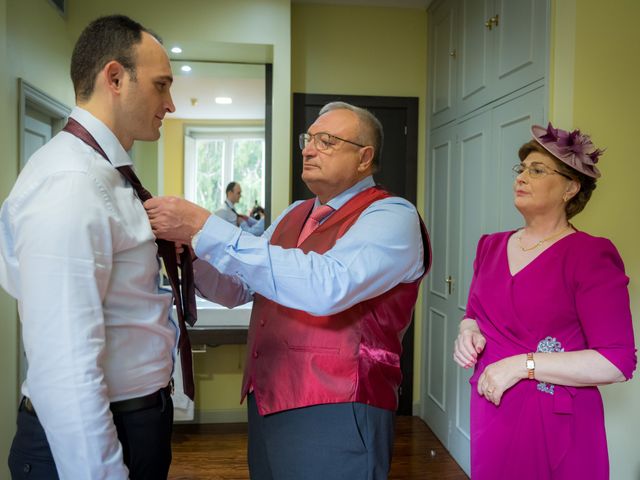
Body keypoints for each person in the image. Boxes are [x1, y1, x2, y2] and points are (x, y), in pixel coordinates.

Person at [145, 101, 431, 480]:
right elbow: (239, 287)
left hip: (340, 403)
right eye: (308, 139)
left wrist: (208, 227)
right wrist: (193, 251)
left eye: (327, 141)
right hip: (268, 398)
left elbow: (327, 285)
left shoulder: (392, 216)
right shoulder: (293, 213)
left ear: (365, 157)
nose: (309, 149)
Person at [0, 15, 181, 479]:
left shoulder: (104, 174)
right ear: (115, 78)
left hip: (134, 422)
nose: (171, 104)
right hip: (96, 438)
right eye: (161, 86)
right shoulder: (71, 183)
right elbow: (65, 367)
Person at [453, 122, 636, 479]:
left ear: (570, 187)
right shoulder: (489, 245)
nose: (521, 177)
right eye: (520, 169)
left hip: (555, 422)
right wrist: (466, 331)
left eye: (536, 170)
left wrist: (522, 365)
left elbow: (617, 362)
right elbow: (474, 313)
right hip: (492, 407)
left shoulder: (590, 254)